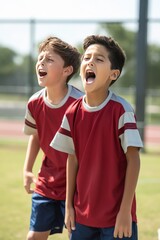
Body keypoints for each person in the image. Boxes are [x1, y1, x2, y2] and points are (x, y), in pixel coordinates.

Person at [50, 35, 143, 240]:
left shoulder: (121, 110)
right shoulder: (72, 112)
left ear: (113, 74)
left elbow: (133, 159)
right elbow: (72, 159)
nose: (90, 61)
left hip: (116, 218)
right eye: (86, 58)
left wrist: (125, 211)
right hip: (82, 217)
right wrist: (69, 207)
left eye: (99, 59)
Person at [23, 36, 84, 240]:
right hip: (47, 182)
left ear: (67, 70)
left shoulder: (80, 104)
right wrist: (27, 169)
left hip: (79, 185)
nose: (41, 62)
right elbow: (37, 135)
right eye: (40, 58)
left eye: (49, 59)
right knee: (34, 237)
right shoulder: (34, 103)